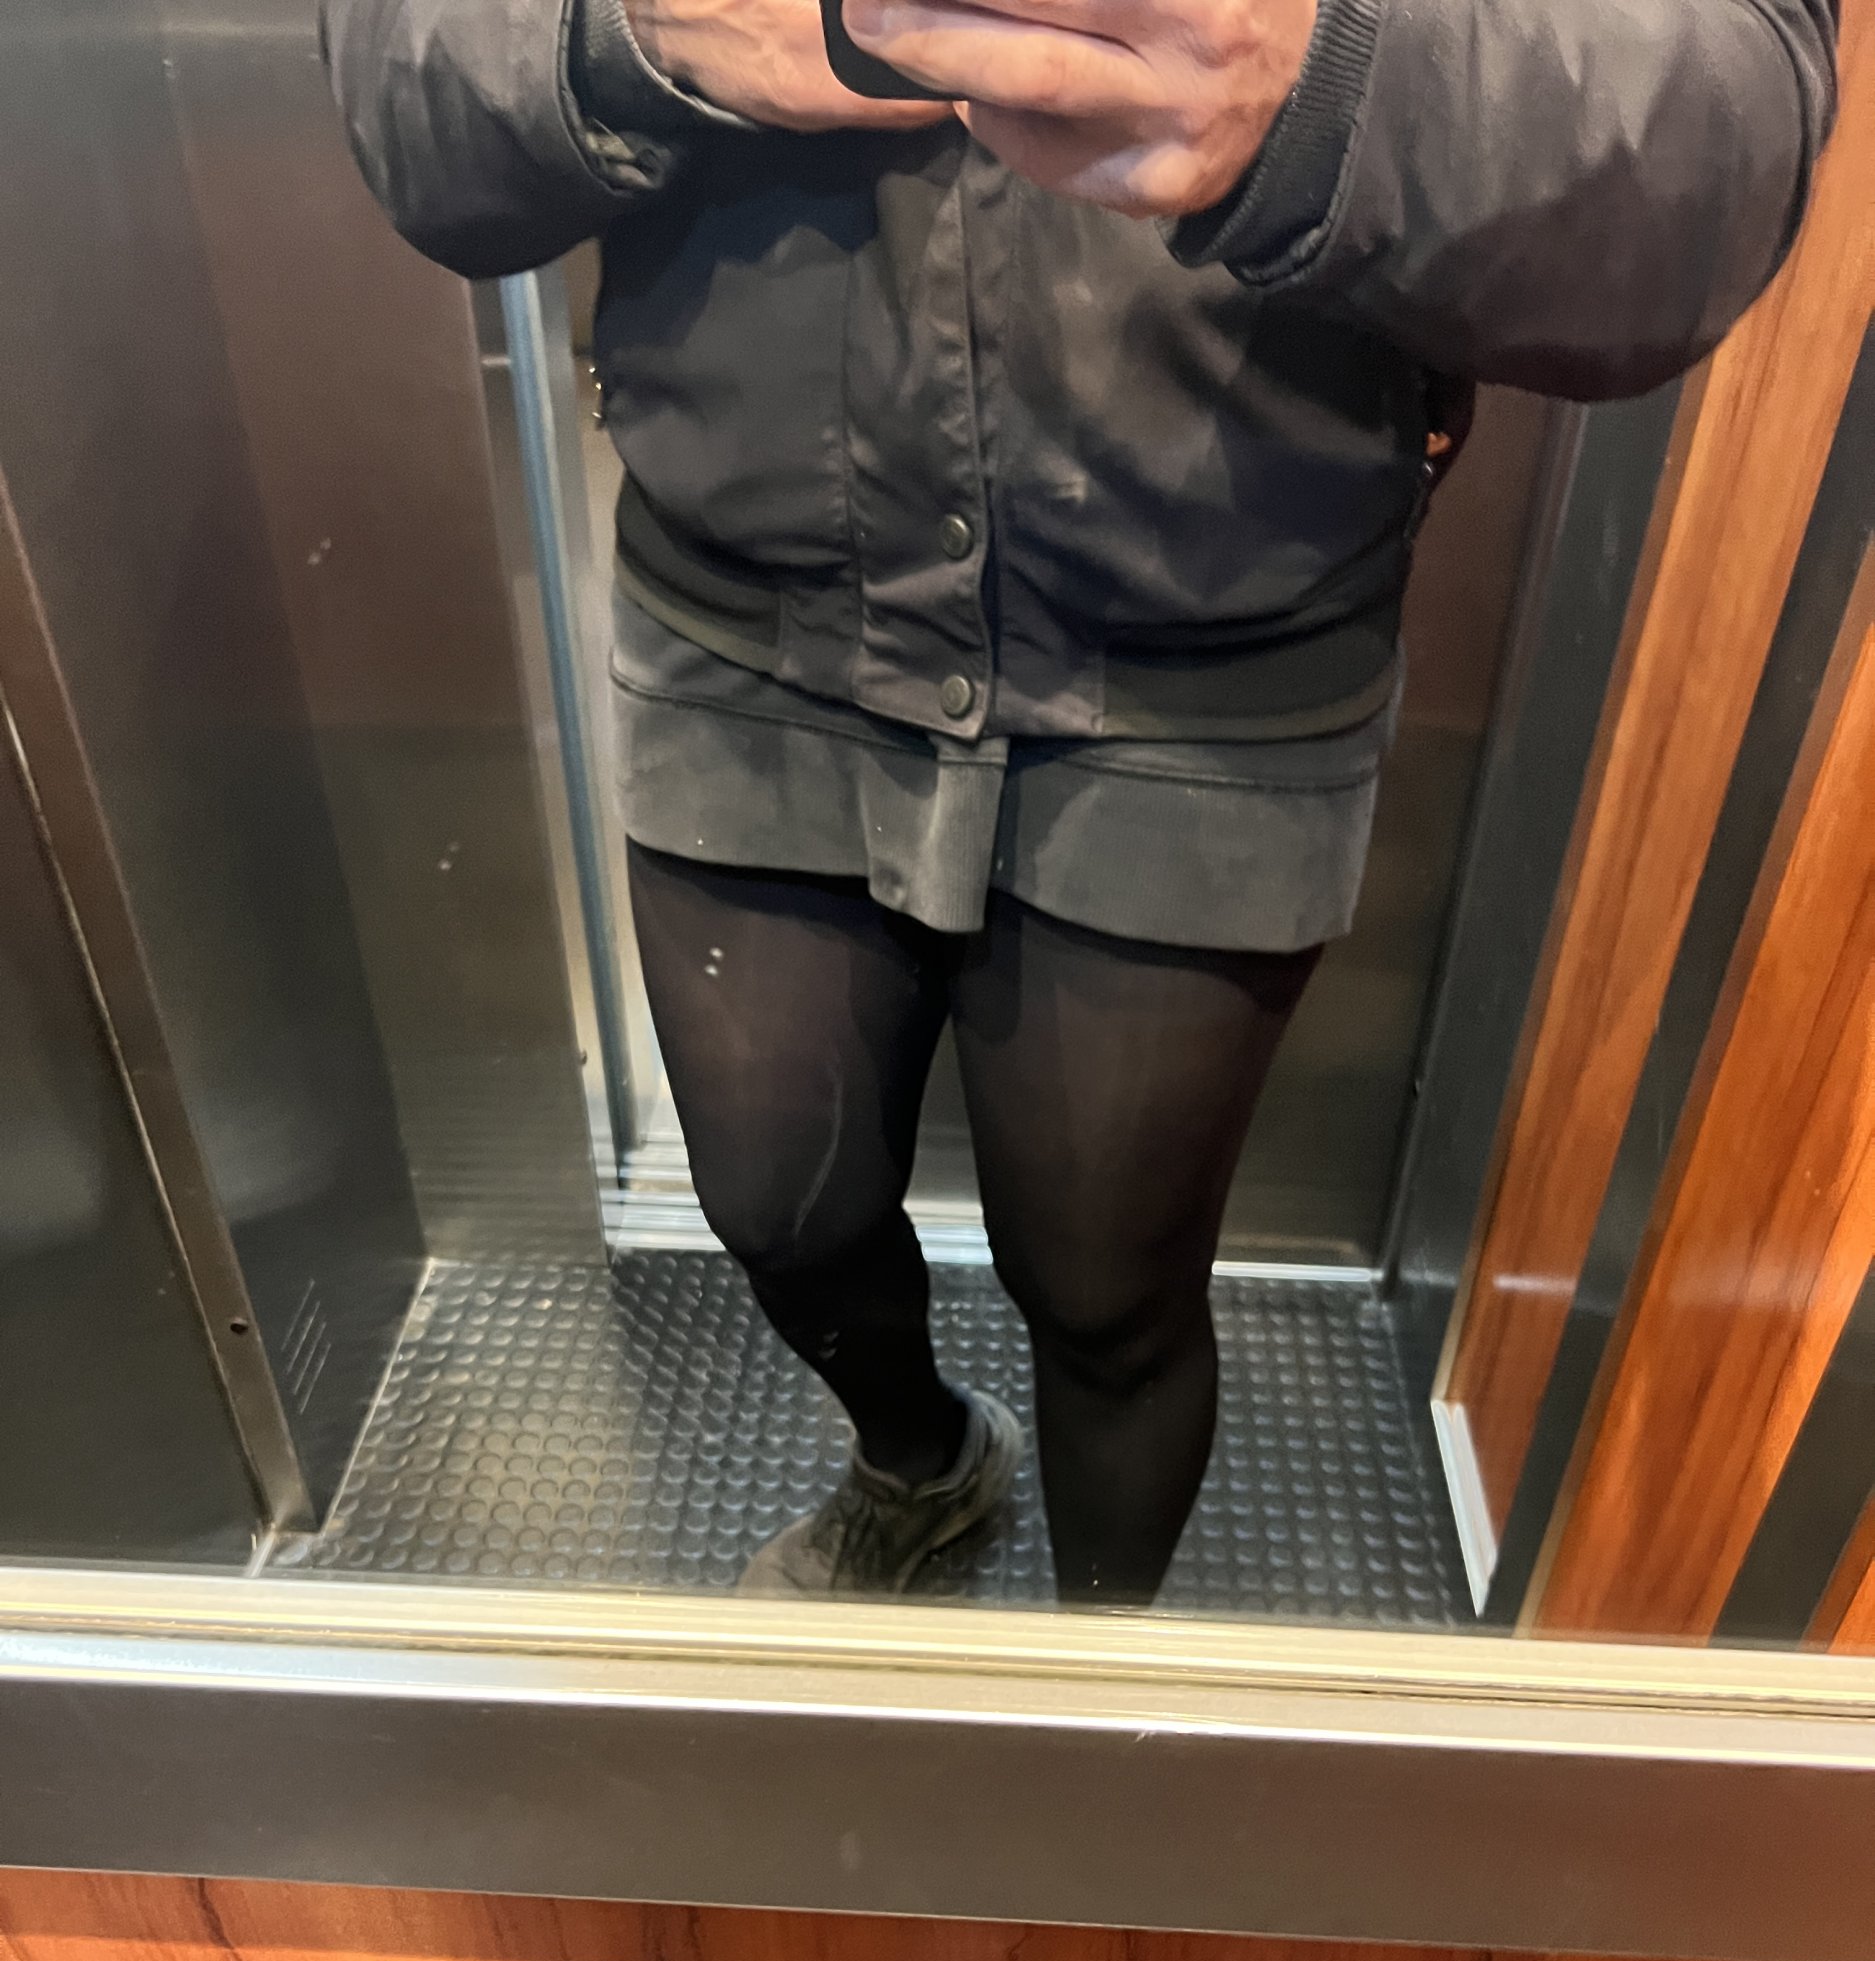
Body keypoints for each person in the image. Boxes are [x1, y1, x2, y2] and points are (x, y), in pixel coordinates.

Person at [322, 0, 1836, 1603]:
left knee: (1107, 1293)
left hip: (1209, 655)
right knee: (776, 1209)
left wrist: (1328, 83)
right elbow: (401, 81)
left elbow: (1719, 136)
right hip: (750, 618)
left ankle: (1096, 1670)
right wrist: (625, 27)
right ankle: (918, 1466)